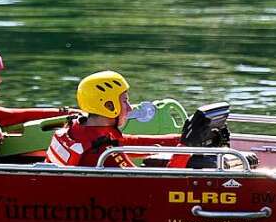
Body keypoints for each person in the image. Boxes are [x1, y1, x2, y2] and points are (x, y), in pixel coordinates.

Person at [46, 70, 180, 167]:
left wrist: (180, 140)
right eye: (125, 101)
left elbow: (128, 142)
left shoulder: (76, 126)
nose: (130, 108)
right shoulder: (106, 152)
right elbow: (149, 185)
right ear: (109, 105)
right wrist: (184, 151)